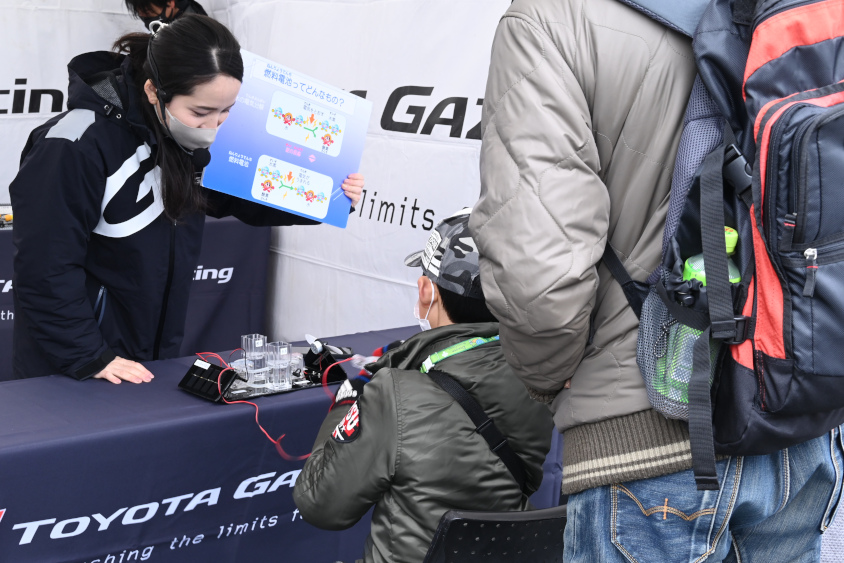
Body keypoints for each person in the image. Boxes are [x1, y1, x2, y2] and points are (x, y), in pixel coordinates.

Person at [470, 0, 844, 561]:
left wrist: (549, 381)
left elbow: (540, 289)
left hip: (649, 442)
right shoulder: (804, 7)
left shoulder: (552, 18)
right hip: (800, 424)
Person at [10, 15, 364, 384]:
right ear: (153, 91)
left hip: (149, 355)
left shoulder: (181, 133)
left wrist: (327, 198)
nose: (213, 127)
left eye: (226, 111)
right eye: (200, 112)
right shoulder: (72, 145)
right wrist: (89, 356)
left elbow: (235, 196)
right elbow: (44, 266)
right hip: (76, 365)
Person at [293, 208, 553, 563]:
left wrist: (347, 401)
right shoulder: (539, 375)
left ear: (426, 290)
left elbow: (319, 503)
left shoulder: (394, 394)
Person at [124, 0, 207, 30]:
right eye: (139, 12)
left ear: (170, 3)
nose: (143, 16)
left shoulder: (195, 27)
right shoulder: (169, 20)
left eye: (148, 12)